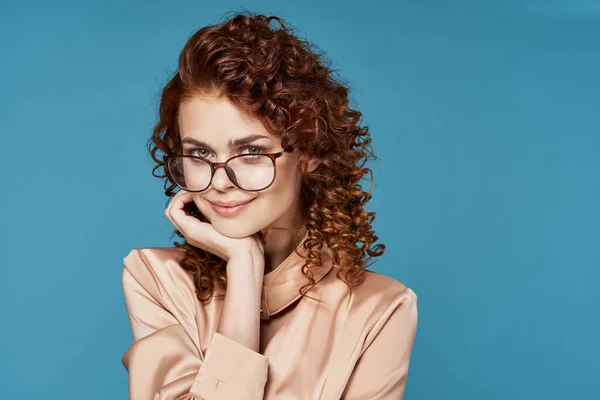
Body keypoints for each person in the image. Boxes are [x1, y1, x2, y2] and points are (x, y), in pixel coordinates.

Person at [121, 11, 418, 400]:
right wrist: (244, 268)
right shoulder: (157, 279)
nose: (222, 182)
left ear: (310, 153)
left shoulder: (380, 310)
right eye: (198, 154)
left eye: (250, 152)